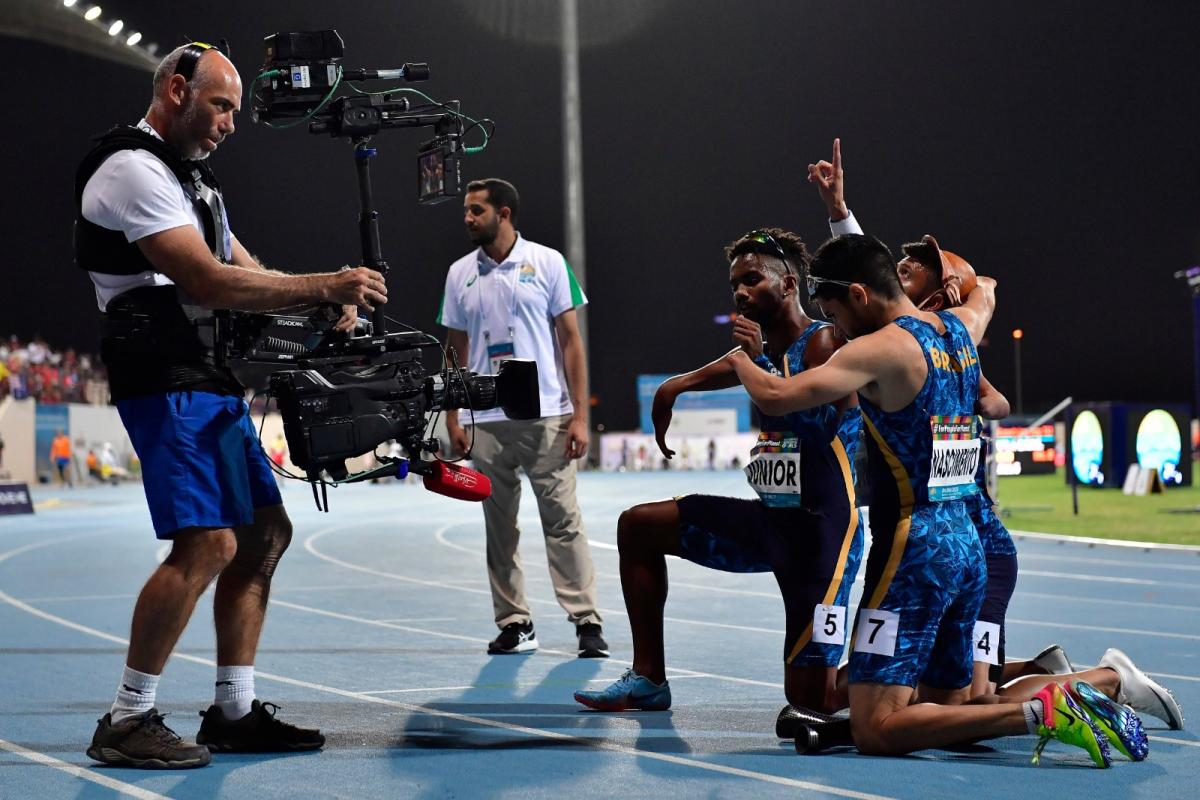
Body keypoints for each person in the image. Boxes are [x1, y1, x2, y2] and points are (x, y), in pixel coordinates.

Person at [76, 42, 387, 769]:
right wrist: (324, 285)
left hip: (205, 375)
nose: (230, 124)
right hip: (164, 376)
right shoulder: (133, 170)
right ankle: (127, 716)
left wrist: (326, 304)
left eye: (236, 112)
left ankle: (234, 710)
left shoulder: (193, 184)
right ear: (177, 91)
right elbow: (208, 282)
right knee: (209, 544)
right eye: (220, 106)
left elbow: (250, 270)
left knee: (262, 534)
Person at [726, 234, 1147, 767]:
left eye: (832, 311)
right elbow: (987, 292)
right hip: (966, 544)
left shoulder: (878, 349)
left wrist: (743, 358)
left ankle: (1043, 712)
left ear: (858, 295)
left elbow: (777, 395)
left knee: (874, 725)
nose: (834, 327)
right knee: (956, 710)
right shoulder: (961, 327)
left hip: (913, 550)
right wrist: (960, 283)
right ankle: (1100, 683)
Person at [807, 140, 1183, 728]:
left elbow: (993, 396)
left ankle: (1098, 685)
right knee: (938, 698)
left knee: (962, 703)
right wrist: (840, 214)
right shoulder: (923, 339)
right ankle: (1066, 676)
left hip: (964, 540)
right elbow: (864, 276)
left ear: (936, 290)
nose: (898, 273)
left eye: (912, 270)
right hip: (932, 539)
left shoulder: (939, 346)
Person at [573, 229, 863, 717]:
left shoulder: (827, 343)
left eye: (752, 279)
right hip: (773, 523)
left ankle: (920, 669)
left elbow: (816, 425)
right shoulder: (760, 357)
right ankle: (648, 679)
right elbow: (732, 370)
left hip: (823, 539)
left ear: (789, 284)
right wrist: (674, 388)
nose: (741, 293)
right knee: (639, 525)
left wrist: (757, 361)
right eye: (735, 285)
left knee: (812, 702)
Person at [437, 178, 607, 658]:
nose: (467, 219)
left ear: (504, 213)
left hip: (546, 415)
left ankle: (586, 621)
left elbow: (572, 341)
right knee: (500, 526)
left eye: (476, 211)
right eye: (466, 211)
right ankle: (515, 622)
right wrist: (453, 414)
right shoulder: (458, 273)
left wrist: (578, 413)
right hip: (484, 419)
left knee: (563, 521)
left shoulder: (548, 262)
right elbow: (455, 349)